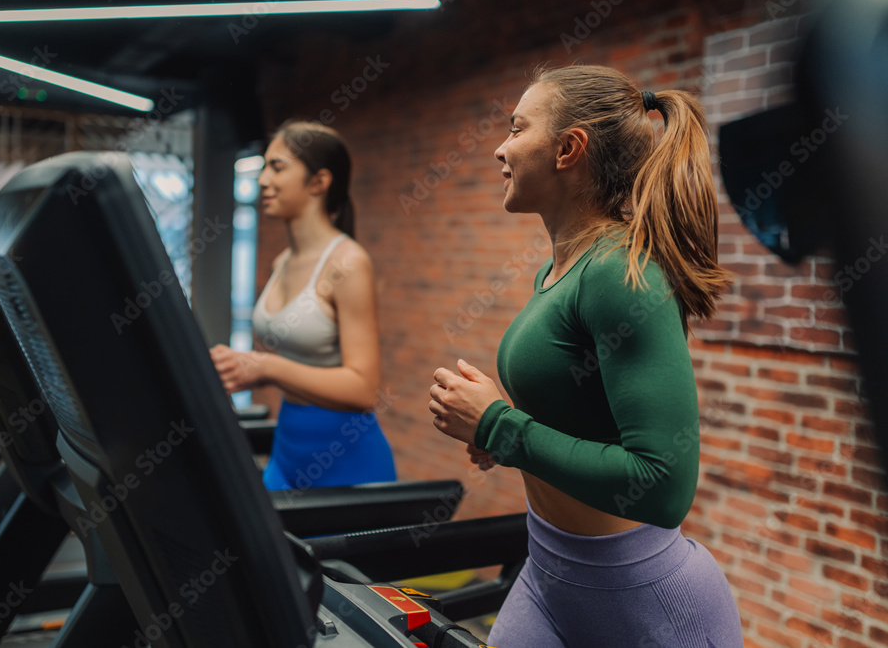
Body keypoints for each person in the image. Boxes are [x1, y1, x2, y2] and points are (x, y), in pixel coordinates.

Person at [428, 65, 744, 647]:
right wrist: (496, 431)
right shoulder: (559, 270)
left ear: (569, 148)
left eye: (517, 129)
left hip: (647, 605)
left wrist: (501, 425)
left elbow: (663, 484)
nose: (500, 149)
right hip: (549, 575)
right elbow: (580, 422)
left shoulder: (620, 272)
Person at [211, 121, 396, 492]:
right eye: (264, 167)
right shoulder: (281, 262)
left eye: (277, 167)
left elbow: (363, 390)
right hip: (288, 447)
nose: (262, 179)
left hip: (346, 461)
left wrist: (266, 366)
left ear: (318, 182)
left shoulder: (347, 263)